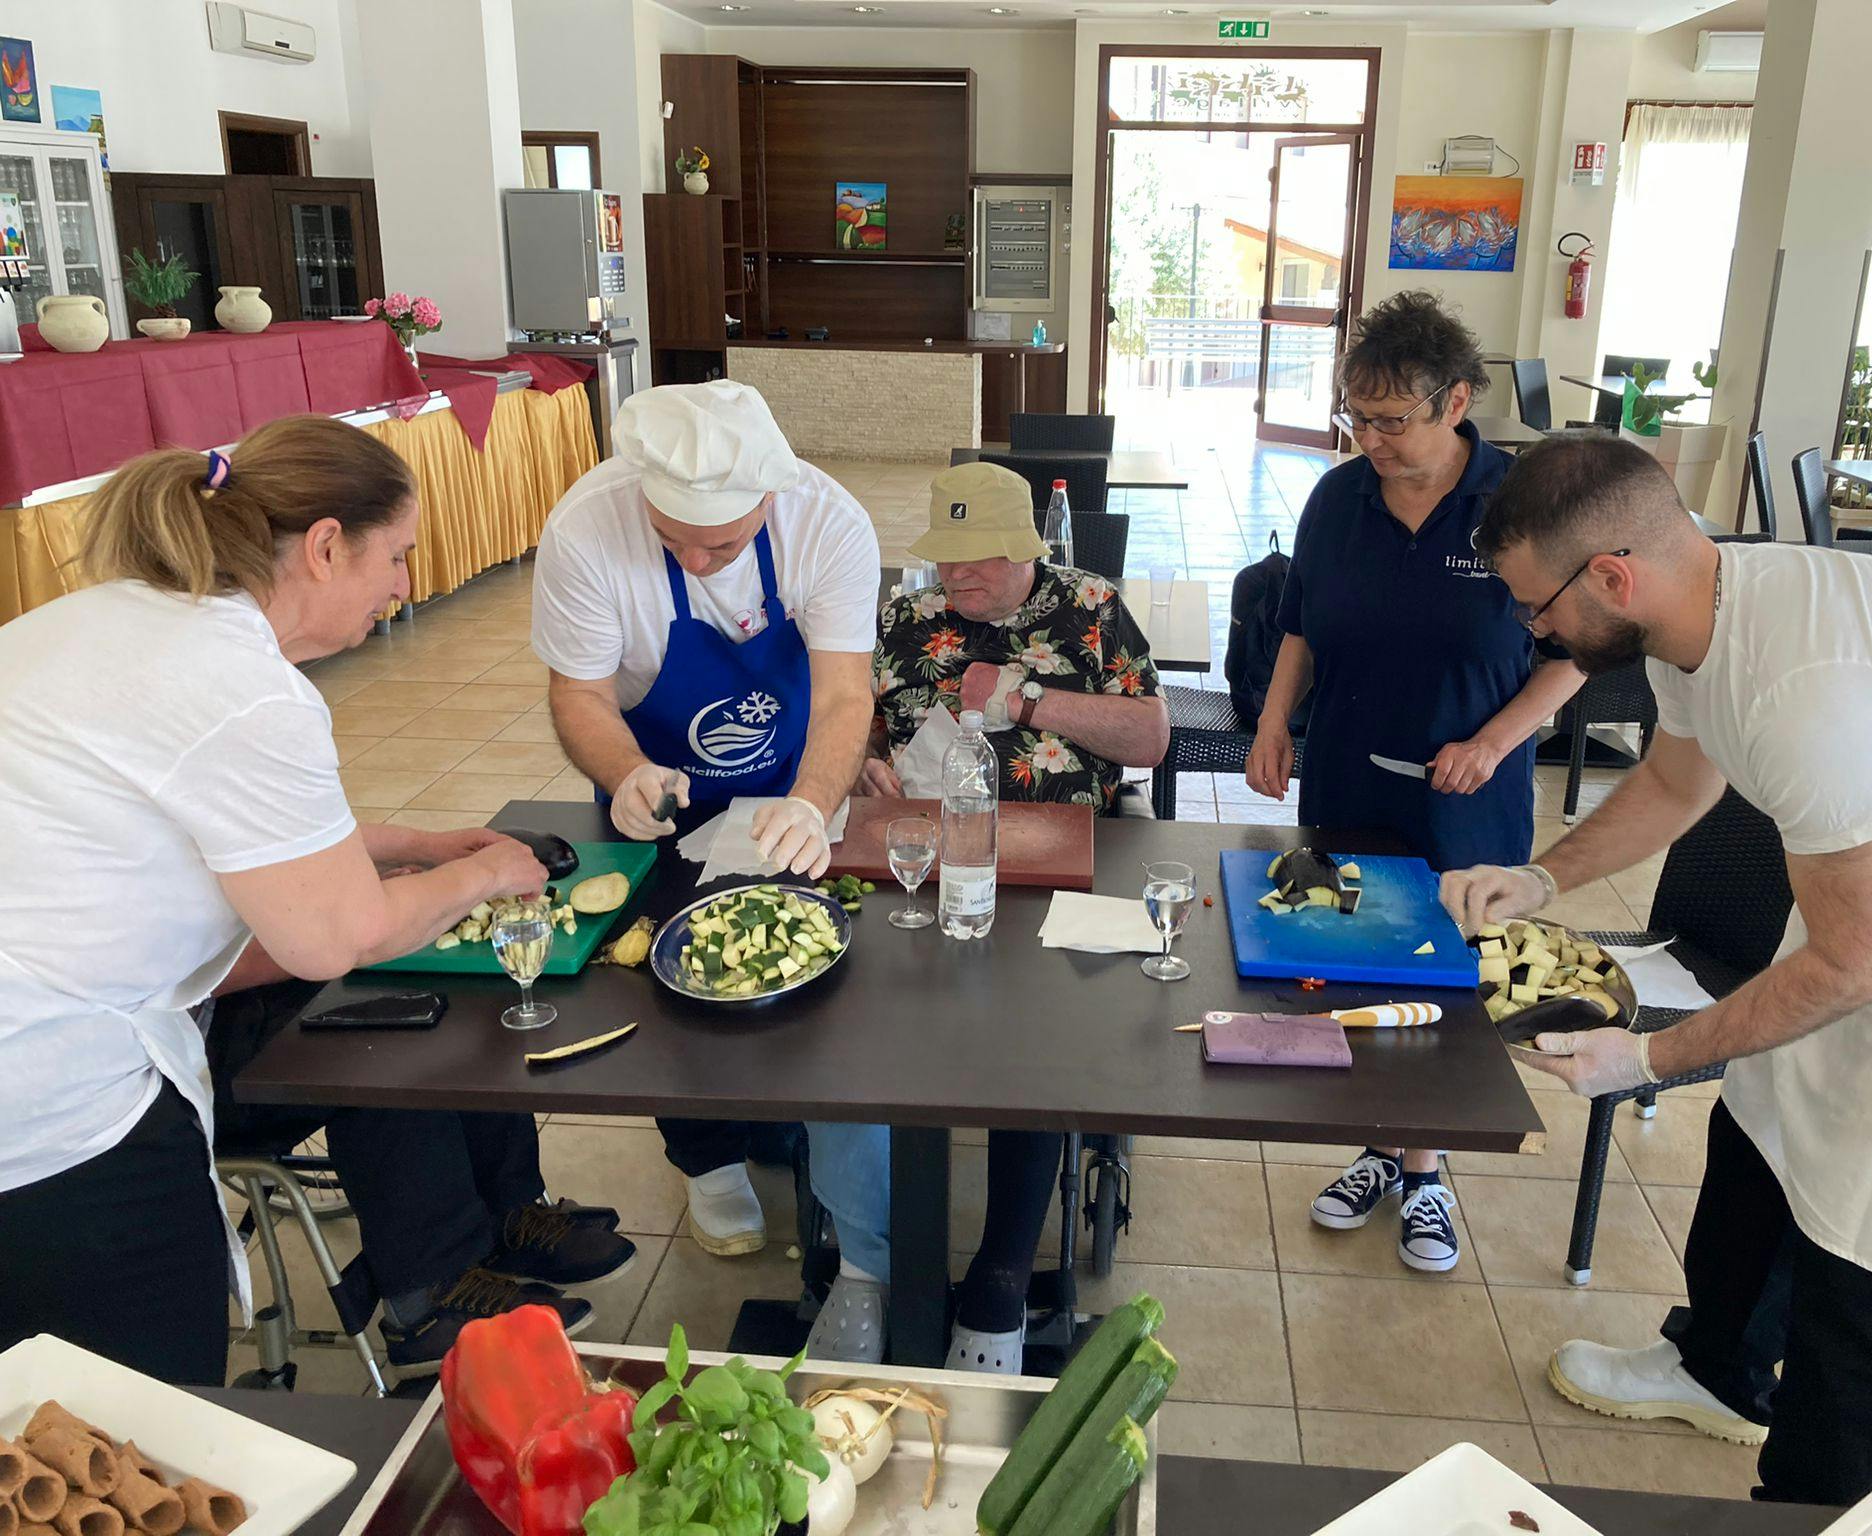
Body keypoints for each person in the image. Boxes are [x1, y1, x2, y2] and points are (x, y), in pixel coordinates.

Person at [1442, 432, 1872, 1507]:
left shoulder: (1806, 688)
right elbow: (1678, 786)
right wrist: (1538, 881)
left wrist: (1647, 1057)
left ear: (1612, 578)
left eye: (1535, 607)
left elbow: (1859, 961)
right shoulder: (1700, 614)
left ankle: (1815, 1507)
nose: (1529, 630)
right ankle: (1714, 1367)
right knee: (1764, 1111)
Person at [0, 417, 558, 1385]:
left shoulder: (132, 615)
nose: (407, 585)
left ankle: (483, 1232)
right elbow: (338, 932)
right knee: (134, 1434)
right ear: (327, 545)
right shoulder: (243, 685)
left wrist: (421, 845)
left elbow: (264, 834)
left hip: (45, 1039)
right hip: (54, 1110)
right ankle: (431, 1296)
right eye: (398, 557)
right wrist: (484, 872)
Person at [1245, 292, 1584, 1273]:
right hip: (1349, 767)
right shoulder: (1334, 498)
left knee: (1445, 971)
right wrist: (1274, 722)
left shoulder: (1521, 503)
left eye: (1392, 420)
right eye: (1358, 416)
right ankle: (1377, 1145)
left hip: (1466, 788)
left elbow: (1574, 653)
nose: (1371, 437)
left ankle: (1424, 1169)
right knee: (1354, 960)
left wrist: (1494, 739)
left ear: (1456, 403)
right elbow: (1301, 623)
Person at [808, 461, 1168, 1372]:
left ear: (1026, 552)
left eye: (977, 564)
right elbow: (862, 725)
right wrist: (860, 765)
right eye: (946, 562)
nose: (956, 581)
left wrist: (1032, 699)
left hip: (1054, 867)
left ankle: (1003, 1277)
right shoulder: (907, 616)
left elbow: (1152, 738)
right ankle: (866, 1268)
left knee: (1035, 1054)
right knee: (842, 1028)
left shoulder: (1089, 606)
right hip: (917, 863)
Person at [532, 381, 880, 1259]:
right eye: (671, 540)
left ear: (771, 497)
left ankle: (777, 1120)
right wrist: (624, 774)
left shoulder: (828, 523)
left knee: (782, 947)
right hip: (653, 771)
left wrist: (813, 800)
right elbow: (578, 693)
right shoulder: (585, 528)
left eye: (720, 543)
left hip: (789, 772)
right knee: (658, 968)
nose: (694, 561)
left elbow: (844, 693)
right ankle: (704, 1157)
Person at [207, 950, 633, 1376]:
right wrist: (340, 939)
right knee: (382, 1042)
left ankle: (501, 1218)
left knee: (452, 996)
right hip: (191, 1061)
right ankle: (423, 1302)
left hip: (279, 984)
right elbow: (203, 970)